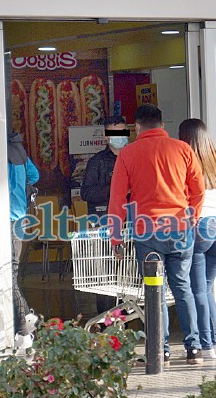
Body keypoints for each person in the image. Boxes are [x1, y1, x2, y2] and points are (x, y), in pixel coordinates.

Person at [108, 104, 206, 365]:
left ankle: (160, 350)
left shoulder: (127, 154)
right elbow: (198, 190)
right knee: (183, 287)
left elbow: (117, 199)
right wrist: (191, 218)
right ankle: (193, 348)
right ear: (162, 126)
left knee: (155, 292)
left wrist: (116, 238)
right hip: (180, 229)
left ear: (137, 127)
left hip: (147, 232)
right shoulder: (183, 150)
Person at [178, 118, 216, 360]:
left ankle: (207, 345)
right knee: (207, 288)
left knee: (198, 289)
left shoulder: (187, 161)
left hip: (201, 227)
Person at [81, 115, 128, 314]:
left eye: (122, 131)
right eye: (114, 132)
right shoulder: (97, 162)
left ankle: (125, 319)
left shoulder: (134, 156)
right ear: (106, 136)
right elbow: (86, 193)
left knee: (129, 274)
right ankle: (105, 320)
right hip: (104, 224)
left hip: (132, 223)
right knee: (106, 276)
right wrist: (115, 188)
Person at [7, 129, 40, 351]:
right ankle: (21, 326)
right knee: (12, 274)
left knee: (8, 277)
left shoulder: (0, 153)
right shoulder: (19, 150)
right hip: (20, 219)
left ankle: (24, 326)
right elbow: (35, 176)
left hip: (4, 219)